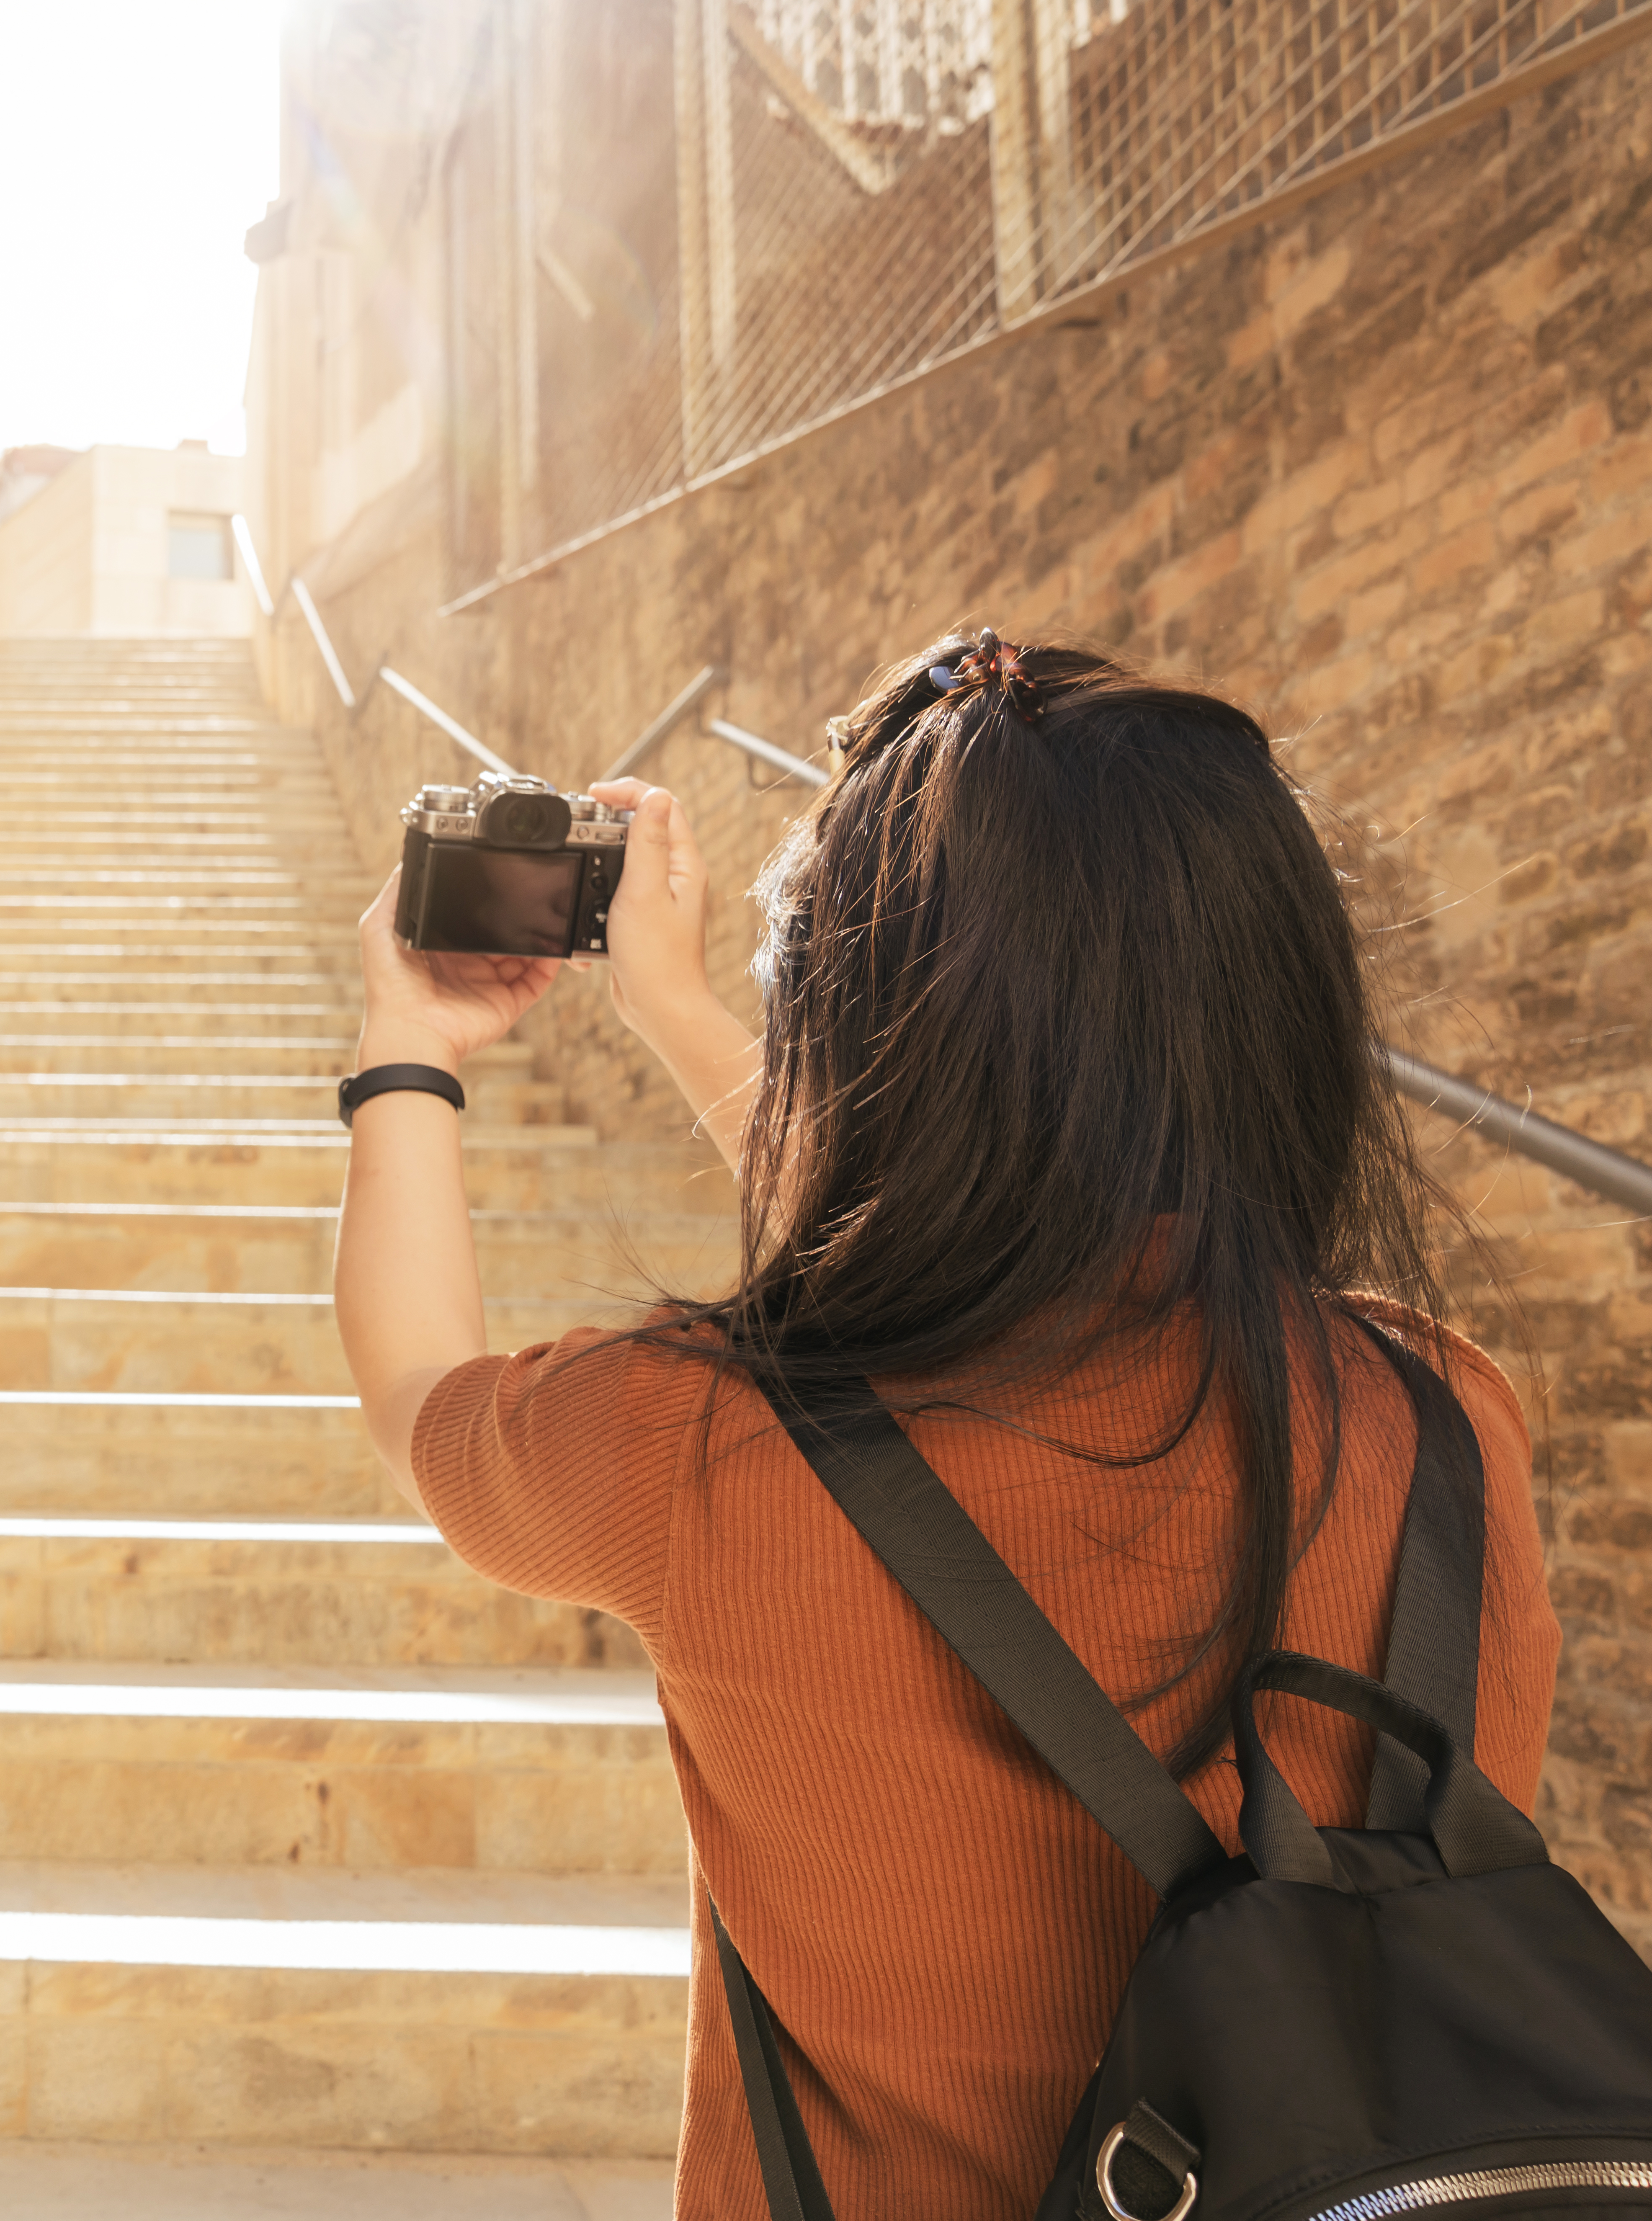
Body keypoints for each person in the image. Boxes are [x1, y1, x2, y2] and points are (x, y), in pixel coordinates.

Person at [331, 631, 1560, 2220]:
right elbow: (976, 1258)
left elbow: (418, 1397)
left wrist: (407, 1049)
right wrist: (678, 1009)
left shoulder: (700, 1444)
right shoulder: (1443, 1417)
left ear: (857, 1011)